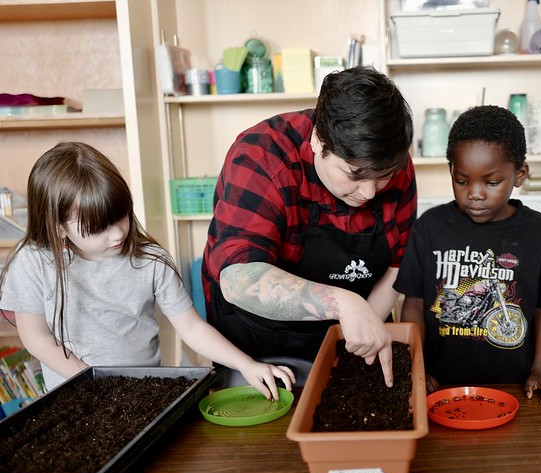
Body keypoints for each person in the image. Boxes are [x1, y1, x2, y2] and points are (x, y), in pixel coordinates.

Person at [0, 142, 295, 397]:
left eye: (121, 216)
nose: (117, 234)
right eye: (99, 227)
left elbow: (191, 327)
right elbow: (36, 338)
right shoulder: (33, 262)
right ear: (59, 227)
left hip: (144, 394)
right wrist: (91, 380)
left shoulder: (151, 260)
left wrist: (247, 364)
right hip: (76, 396)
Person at [201, 66, 416, 387]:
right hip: (257, 346)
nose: (371, 192)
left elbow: (398, 266)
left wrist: (354, 339)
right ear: (318, 140)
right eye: (354, 175)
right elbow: (239, 279)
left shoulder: (389, 161)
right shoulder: (261, 157)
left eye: (383, 177)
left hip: (351, 328)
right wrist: (343, 303)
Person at [393, 105, 541, 405]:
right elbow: (412, 304)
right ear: (451, 170)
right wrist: (417, 368)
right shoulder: (429, 228)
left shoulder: (538, 231)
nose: (475, 193)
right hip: (439, 390)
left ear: (520, 174)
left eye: (492, 182)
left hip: (514, 389)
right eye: (462, 181)